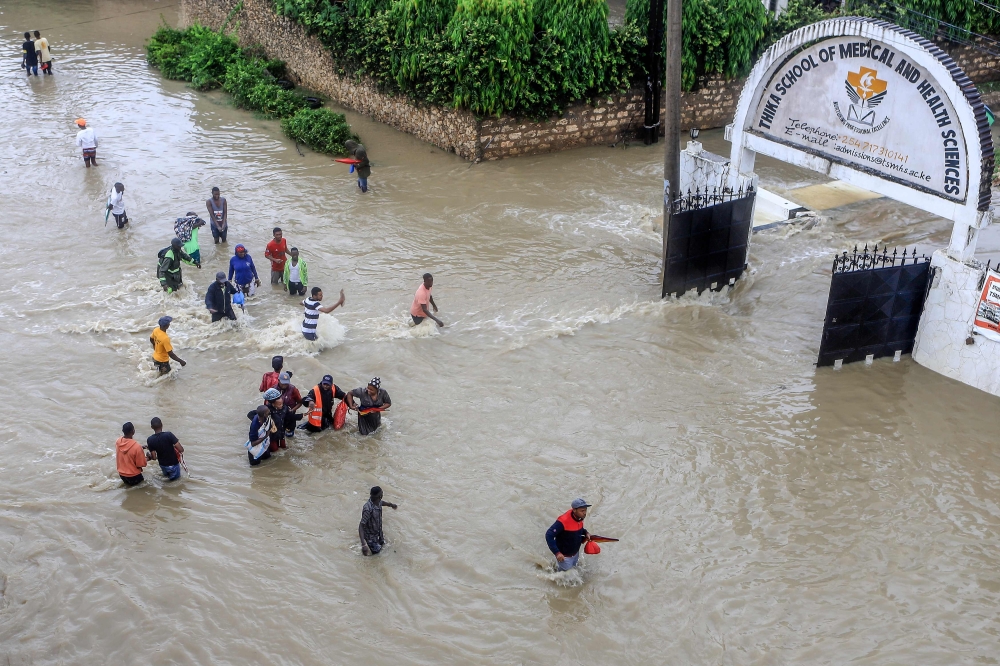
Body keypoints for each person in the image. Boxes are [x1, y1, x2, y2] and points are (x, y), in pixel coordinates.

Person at [545, 498, 592, 571]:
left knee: (574, 571)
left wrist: (586, 533)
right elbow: (549, 535)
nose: (585, 513)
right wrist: (557, 553)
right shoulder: (563, 521)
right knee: (566, 577)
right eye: (582, 511)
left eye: (585, 510)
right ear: (574, 510)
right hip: (564, 557)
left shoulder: (579, 517)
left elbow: (577, 528)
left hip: (575, 554)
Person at [359, 486, 398, 556]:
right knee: (377, 556)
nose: (382, 495)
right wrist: (363, 544)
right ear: (380, 496)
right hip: (370, 537)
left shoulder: (378, 501)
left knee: (384, 547)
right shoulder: (368, 509)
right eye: (382, 494)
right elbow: (361, 526)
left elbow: (382, 503)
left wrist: (391, 505)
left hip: (378, 533)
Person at [146, 417, 184, 481]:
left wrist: (149, 455)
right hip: (173, 465)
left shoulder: (150, 440)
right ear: (162, 425)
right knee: (176, 482)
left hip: (163, 466)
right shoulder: (169, 435)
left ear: (152, 427)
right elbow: (181, 450)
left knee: (166, 481)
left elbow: (154, 457)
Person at [116, 422, 149, 487]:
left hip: (121, 474)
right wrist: (148, 458)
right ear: (133, 431)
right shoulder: (137, 447)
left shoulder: (118, 441)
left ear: (123, 431)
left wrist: (141, 448)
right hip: (133, 475)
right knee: (141, 491)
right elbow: (141, 464)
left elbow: (127, 449)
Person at [276, 372, 302, 437]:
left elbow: (300, 402)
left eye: (286, 383)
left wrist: (292, 410)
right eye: (283, 383)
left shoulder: (293, 389)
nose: (285, 385)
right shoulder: (274, 389)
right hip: (278, 417)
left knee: (289, 436)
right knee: (278, 435)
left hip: (290, 417)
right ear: (278, 381)